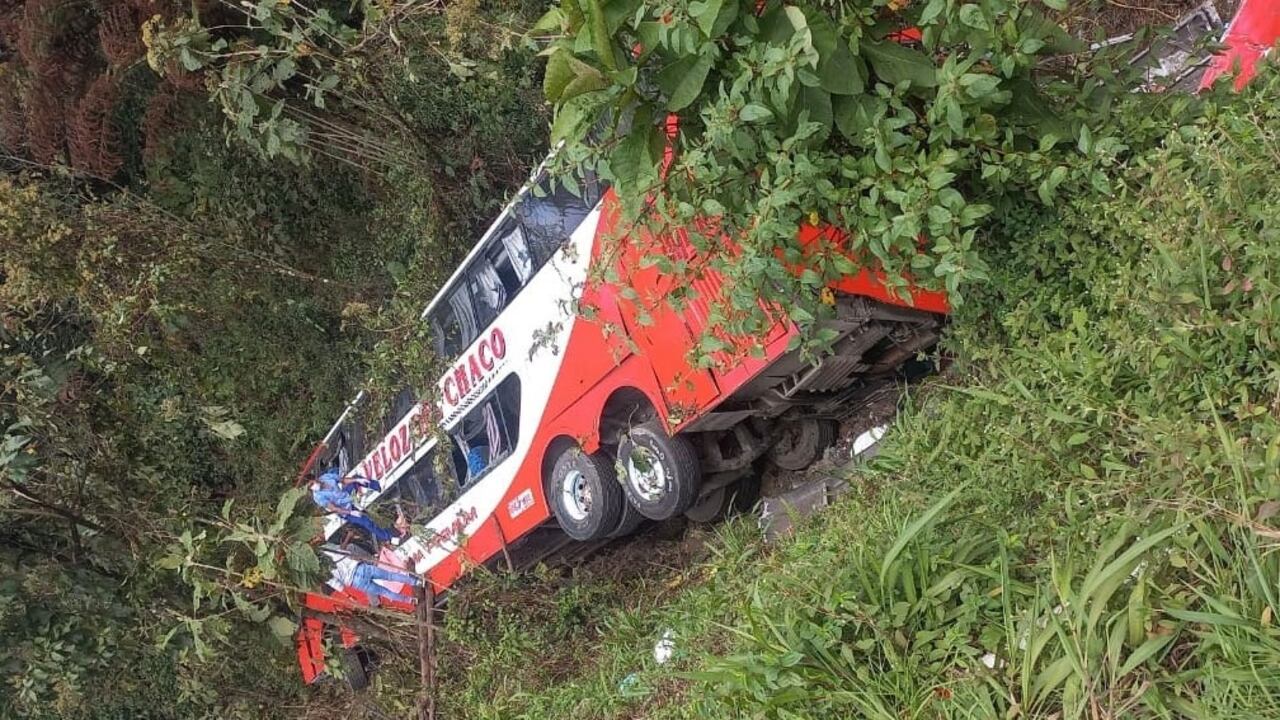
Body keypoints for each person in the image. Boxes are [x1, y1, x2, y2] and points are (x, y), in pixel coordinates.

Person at [309, 468, 392, 544]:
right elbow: (334, 508)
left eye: (312, 483)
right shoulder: (318, 497)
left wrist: (357, 480)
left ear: (315, 479)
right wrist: (351, 512)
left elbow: (343, 480)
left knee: (356, 479)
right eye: (310, 487)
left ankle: (379, 487)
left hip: (347, 496)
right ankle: (385, 536)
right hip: (344, 509)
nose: (313, 487)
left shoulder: (326, 477)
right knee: (366, 522)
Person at [324, 550, 420, 607]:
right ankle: (416, 582)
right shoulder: (326, 551)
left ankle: (410, 600)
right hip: (360, 568)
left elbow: (336, 585)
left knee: (385, 593)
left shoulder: (322, 574)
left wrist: (348, 596)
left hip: (356, 582)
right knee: (390, 576)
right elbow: (346, 553)